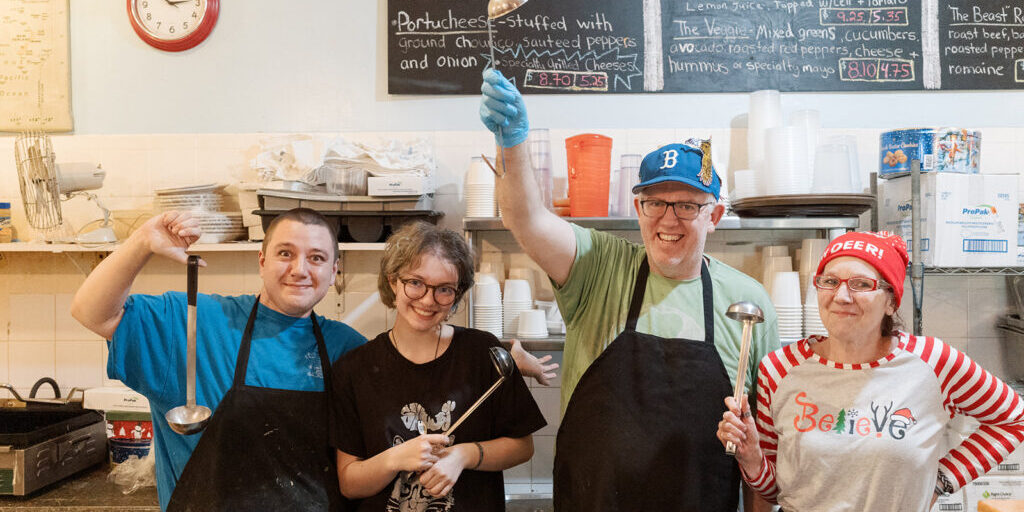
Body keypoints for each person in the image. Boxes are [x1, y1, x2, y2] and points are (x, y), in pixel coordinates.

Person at [479, 69, 780, 511]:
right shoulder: (600, 268)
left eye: (687, 205)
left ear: (713, 216)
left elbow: (760, 445)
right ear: (638, 207)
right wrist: (512, 143)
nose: (668, 219)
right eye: (655, 203)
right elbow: (527, 219)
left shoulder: (748, 305)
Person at [70, 208, 366, 511]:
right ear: (262, 263)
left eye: (316, 258)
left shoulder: (349, 349)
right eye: (285, 253)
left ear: (333, 272)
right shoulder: (196, 324)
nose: (300, 269)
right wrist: (143, 241)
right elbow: (92, 313)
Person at [716, 231, 1024, 510]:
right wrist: (753, 458)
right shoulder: (779, 368)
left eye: (862, 284)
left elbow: (1014, 419)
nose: (841, 296)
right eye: (829, 281)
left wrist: (943, 479)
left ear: (891, 302)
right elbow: (776, 491)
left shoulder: (933, 361)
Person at [330, 221, 547, 511]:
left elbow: (523, 446)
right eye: (415, 283)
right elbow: (349, 483)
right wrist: (396, 458)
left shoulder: (484, 354)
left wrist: (464, 455)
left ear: (456, 295)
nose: (428, 300)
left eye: (444, 289)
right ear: (393, 281)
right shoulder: (354, 370)